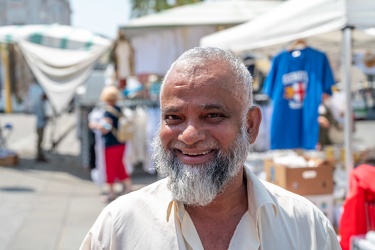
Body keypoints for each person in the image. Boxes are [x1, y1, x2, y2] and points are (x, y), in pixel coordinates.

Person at [80, 47, 340, 249]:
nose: (190, 136)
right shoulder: (119, 226)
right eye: (173, 118)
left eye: (213, 115)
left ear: (250, 126)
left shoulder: (306, 226)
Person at [92, 86, 132, 202]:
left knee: (110, 167)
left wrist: (95, 125)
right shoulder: (118, 109)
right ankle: (128, 187)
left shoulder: (108, 111)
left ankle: (111, 192)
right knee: (120, 165)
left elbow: (106, 128)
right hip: (121, 141)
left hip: (111, 144)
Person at [33, 92, 48, 162]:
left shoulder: (41, 102)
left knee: (41, 140)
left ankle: (40, 154)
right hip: (40, 125)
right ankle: (39, 155)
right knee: (40, 141)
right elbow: (40, 114)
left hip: (41, 124)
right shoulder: (39, 103)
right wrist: (45, 117)